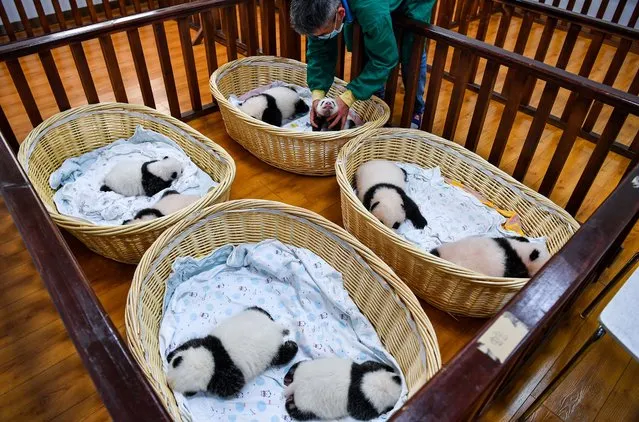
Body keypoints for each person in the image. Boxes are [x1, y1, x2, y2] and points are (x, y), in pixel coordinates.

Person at [290, 0, 435, 130]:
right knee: (368, 43)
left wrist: (348, 99)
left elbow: (385, 59)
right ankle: (376, 97)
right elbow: (319, 50)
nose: (318, 38)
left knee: (411, 51)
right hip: (373, 9)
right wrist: (317, 94)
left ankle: (416, 108)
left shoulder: (371, 7)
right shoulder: (323, 15)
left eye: (322, 34)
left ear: (340, 13)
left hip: (414, 3)